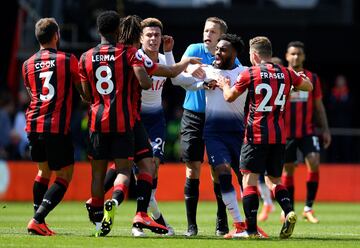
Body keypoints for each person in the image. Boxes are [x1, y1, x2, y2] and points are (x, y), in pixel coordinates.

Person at [83, 13, 201, 237]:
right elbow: (156, 78)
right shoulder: (133, 55)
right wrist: (185, 63)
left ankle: (107, 209)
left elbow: (86, 92)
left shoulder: (88, 56)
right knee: (133, 168)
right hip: (131, 119)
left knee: (136, 166)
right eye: (149, 34)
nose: (154, 38)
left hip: (113, 119)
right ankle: (138, 216)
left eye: (157, 34)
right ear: (140, 36)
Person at [168, 33, 269, 239]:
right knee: (222, 173)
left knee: (246, 179)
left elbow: (269, 84)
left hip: (241, 134)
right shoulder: (207, 71)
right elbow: (176, 78)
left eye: (222, 49)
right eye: (217, 49)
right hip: (214, 133)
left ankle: (252, 225)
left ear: (234, 53)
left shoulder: (246, 72)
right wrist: (182, 61)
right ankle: (238, 223)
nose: (217, 52)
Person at [217, 36, 313, 238]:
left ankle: (251, 231)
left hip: (255, 135)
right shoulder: (286, 73)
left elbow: (229, 97)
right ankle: (288, 211)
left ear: (254, 55)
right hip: (279, 138)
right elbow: (308, 87)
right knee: (275, 180)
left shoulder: (249, 73)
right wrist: (297, 81)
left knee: (248, 180)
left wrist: (224, 84)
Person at [179, 16, 241, 237]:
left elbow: (239, 82)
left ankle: (221, 220)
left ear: (222, 37)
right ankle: (191, 225)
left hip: (217, 120)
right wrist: (189, 71)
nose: (207, 35)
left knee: (218, 170)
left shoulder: (231, 58)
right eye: (206, 30)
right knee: (192, 168)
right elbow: (177, 74)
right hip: (193, 116)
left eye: (213, 32)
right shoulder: (193, 49)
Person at [24, 17, 85, 236]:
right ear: (56, 36)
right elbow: (82, 91)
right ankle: (38, 219)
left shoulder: (27, 64)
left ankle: (37, 219)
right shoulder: (68, 60)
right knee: (64, 176)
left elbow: (33, 94)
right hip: (55, 126)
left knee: (43, 171)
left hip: (33, 124)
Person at [281, 41, 331, 224]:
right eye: (292, 53)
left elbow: (318, 106)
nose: (296, 57)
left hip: (307, 130)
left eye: (299, 54)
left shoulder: (313, 78)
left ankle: (308, 207)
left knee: (314, 161)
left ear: (304, 56)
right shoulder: (281, 75)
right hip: (286, 133)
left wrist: (325, 129)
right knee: (289, 169)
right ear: (287, 56)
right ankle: (290, 210)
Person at [257, 56, 284, 222]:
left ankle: (280, 207)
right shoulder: (286, 83)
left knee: (272, 175)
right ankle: (271, 204)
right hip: (274, 133)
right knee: (262, 174)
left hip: (271, 133)